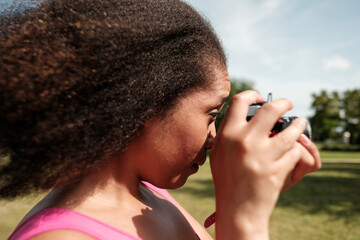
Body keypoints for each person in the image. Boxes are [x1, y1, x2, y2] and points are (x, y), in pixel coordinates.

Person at [0, 0, 321, 239]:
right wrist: (245, 222)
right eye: (211, 113)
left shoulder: (152, 198)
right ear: (142, 103)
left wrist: (237, 201)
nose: (213, 137)